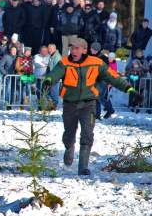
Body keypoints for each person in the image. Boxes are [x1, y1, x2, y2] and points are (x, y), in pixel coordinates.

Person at [42, 38, 142, 175]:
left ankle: (83, 167)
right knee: (69, 135)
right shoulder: (64, 62)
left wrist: (130, 90)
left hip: (89, 104)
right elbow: (55, 73)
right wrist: (48, 80)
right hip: (70, 104)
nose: (74, 51)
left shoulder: (96, 63)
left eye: (77, 48)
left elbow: (113, 77)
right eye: (72, 48)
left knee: (87, 134)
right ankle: (69, 148)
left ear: (84, 50)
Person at [46, 44, 62, 108]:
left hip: (54, 77)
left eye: (51, 49)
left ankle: (54, 105)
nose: (49, 50)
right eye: (48, 49)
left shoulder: (57, 57)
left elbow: (56, 68)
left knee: (54, 91)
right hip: (51, 77)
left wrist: (53, 77)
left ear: (54, 49)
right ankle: (52, 104)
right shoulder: (52, 56)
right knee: (49, 91)